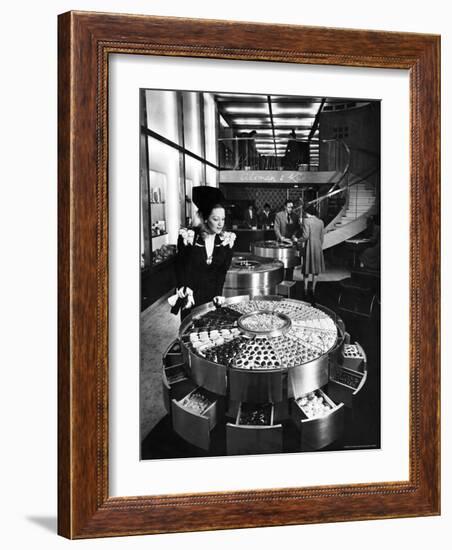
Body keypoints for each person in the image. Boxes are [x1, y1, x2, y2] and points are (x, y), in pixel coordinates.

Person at [171, 186, 236, 318]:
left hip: (212, 299)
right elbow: (180, 267)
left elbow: (222, 272)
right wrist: (183, 288)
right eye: (215, 219)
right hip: (191, 298)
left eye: (222, 219)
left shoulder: (225, 240)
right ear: (205, 218)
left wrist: (218, 294)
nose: (220, 224)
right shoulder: (189, 237)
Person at [297, 204, 325, 298]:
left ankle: (305, 289)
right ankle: (313, 289)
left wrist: (297, 240)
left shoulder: (306, 221)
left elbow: (305, 236)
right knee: (315, 270)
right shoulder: (320, 222)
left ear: (307, 213)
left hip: (309, 246)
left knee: (306, 269)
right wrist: (318, 245)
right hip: (318, 246)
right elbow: (322, 238)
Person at [274, 199, 299, 280]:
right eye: (289, 207)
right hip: (281, 242)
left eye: (292, 207)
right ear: (285, 207)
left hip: (291, 243)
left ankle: (289, 280)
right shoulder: (279, 215)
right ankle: (280, 280)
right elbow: (276, 228)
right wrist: (280, 237)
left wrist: (294, 235)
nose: (291, 209)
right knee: (281, 263)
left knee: (290, 264)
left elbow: (297, 228)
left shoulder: (295, 216)